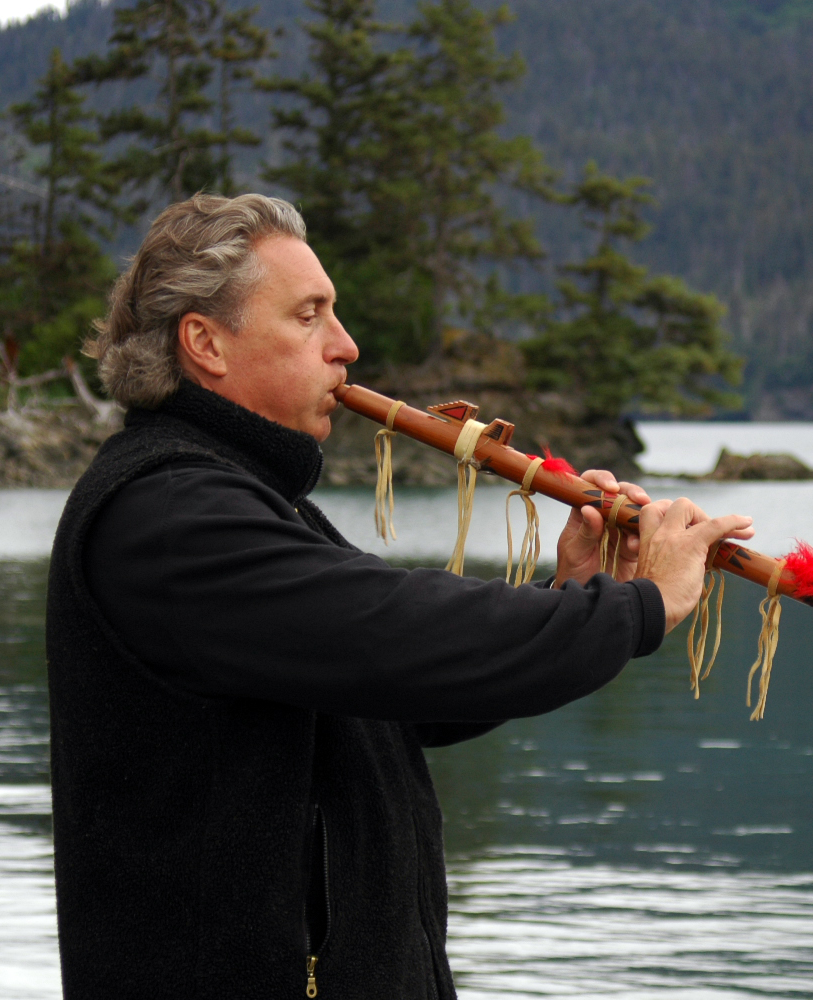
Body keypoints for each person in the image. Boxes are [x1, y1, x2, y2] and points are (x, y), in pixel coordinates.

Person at [45, 193, 753, 999]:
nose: (346, 347)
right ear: (205, 342)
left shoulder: (243, 500)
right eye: (309, 316)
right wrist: (646, 605)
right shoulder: (169, 519)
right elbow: (403, 632)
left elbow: (406, 694)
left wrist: (579, 587)